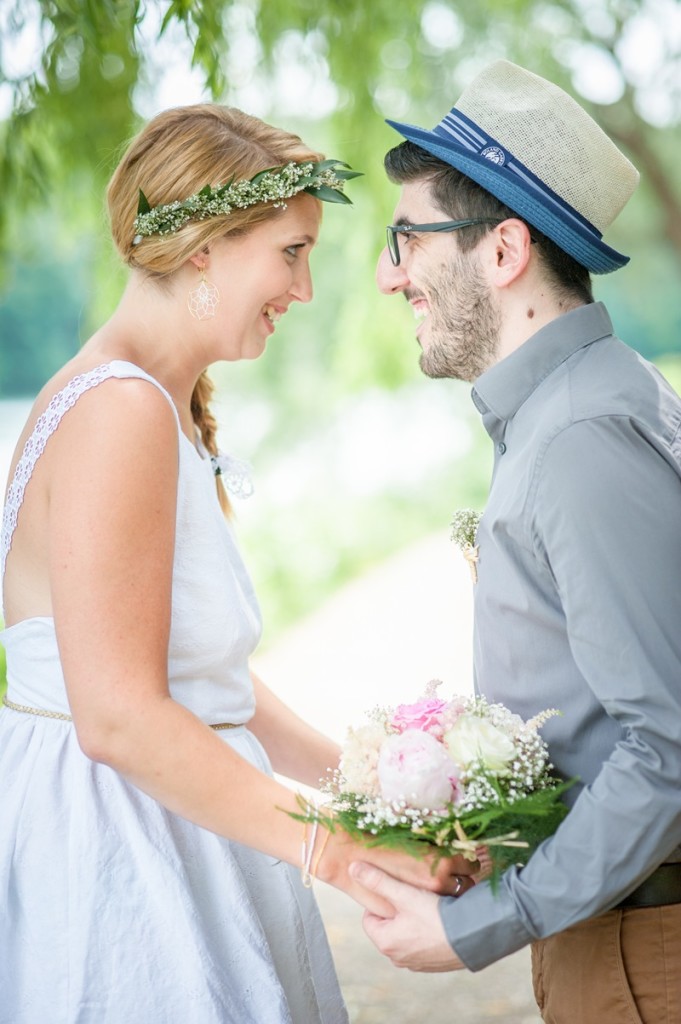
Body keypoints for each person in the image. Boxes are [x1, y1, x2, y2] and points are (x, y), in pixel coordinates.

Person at [0, 104, 470, 1024]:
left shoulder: (143, 400)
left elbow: (205, 679)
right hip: (125, 847)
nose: (301, 291)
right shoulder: (120, 412)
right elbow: (122, 719)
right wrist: (341, 854)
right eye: (291, 253)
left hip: (165, 816)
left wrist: (367, 790)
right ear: (206, 245)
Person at [349, 60, 681, 1023]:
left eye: (405, 237)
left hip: (639, 956)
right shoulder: (582, 408)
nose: (387, 274)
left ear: (501, 252)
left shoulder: (577, 439)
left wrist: (485, 922)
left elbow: (665, 742)